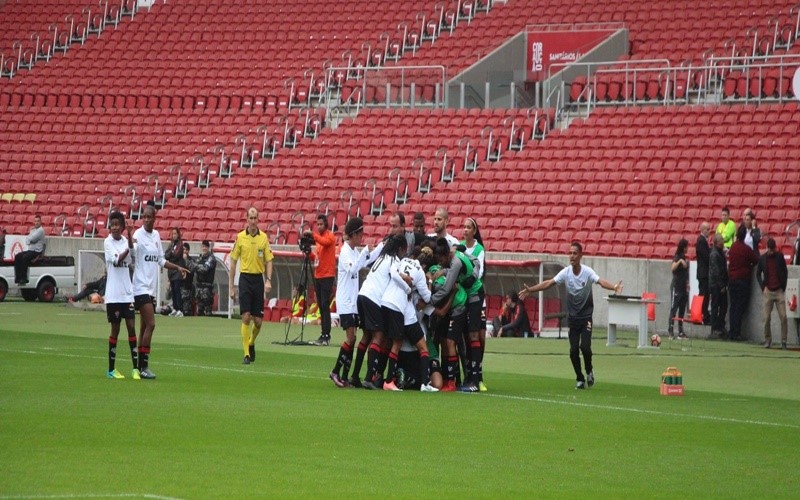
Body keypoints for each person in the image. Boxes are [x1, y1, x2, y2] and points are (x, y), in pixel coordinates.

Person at [519, 241, 622, 390]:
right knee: (573, 350)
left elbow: (600, 281)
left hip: (586, 317)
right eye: (570, 253)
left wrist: (613, 286)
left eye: (574, 253)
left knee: (585, 347)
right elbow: (549, 283)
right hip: (573, 319)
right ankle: (579, 378)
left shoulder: (587, 272)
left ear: (580, 255)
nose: (571, 256)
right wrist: (532, 290)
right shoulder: (566, 272)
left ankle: (589, 371)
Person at [130, 205, 189, 379]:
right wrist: (128, 239)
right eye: (144, 216)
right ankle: (144, 365)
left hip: (151, 288)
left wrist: (178, 267)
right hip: (140, 287)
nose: (147, 219)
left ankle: (140, 367)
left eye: (150, 217)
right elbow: (132, 253)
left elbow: (161, 260)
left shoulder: (155, 236)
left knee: (144, 328)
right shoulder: (137, 236)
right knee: (151, 324)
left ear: (155, 218)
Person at [329, 217, 382, 388]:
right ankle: (336, 371)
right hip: (345, 301)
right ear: (354, 234)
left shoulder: (352, 251)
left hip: (352, 302)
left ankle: (344, 376)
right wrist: (366, 251)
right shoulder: (345, 251)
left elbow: (364, 262)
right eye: (361, 234)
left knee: (353, 338)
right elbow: (353, 267)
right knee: (350, 338)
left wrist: (380, 248)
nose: (362, 237)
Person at [229, 207, 274, 365]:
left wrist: (268, 279)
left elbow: (269, 260)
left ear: (258, 220)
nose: (253, 221)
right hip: (245, 279)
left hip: (258, 280)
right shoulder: (240, 237)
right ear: (246, 219)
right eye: (251, 218)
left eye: (255, 218)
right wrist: (231, 286)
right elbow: (233, 262)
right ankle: (246, 354)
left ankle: (252, 341)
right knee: (246, 316)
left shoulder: (263, 238)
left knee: (259, 321)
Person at [103, 212, 139, 379]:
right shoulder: (107, 242)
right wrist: (128, 247)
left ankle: (135, 369)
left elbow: (132, 257)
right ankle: (111, 369)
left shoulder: (126, 241)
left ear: (123, 227)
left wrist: (130, 237)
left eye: (118, 224)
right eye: (112, 224)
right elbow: (117, 260)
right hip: (114, 295)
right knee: (115, 330)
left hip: (127, 294)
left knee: (131, 327)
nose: (115, 227)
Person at [756, 238, 789, 349]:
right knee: (766, 318)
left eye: (772, 250)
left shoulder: (779, 257)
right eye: (769, 250)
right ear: (767, 248)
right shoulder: (762, 259)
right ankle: (767, 339)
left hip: (778, 290)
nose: (770, 252)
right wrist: (763, 287)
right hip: (768, 291)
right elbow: (758, 274)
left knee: (783, 317)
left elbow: (785, 272)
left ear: (774, 248)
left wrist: (783, 286)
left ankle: (784, 341)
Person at [309, 213, 336, 346]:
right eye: (317, 224)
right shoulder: (318, 241)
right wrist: (309, 253)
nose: (319, 226)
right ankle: (323, 333)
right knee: (321, 305)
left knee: (325, 305)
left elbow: (326, 242)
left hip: (327, 275)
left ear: (326, 225)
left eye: (321, 224)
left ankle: (327, 334)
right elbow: (317, 258)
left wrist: (313, 235)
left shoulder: (329, 236)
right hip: (318, 274)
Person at [727, 226, 758, 341]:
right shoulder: (746, 249)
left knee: (733, 306)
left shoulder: (733, 247)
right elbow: (755, 260)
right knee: (739, 307)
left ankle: (732, 331)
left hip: (732, 280)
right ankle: (736, 332)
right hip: (742, 280)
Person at [14, 214, 46, 285]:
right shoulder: (33, 230)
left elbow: (31, 239)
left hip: (36, 252)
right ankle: (18, 278)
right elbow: (27, 241)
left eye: (38, 221)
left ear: (40, 222)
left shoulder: (40, 230)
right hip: (31, 251)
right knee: (17, 256)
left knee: (25, 258)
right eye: (35, 221)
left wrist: (29, 238)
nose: (36, 223)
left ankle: (24, 278)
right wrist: (29, 239)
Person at [668, 238, 690, 339]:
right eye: (687, 247)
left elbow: (685, 273)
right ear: (683, 247)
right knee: (674, 309)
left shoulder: (685, 257)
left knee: (681, 310)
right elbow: (672, 268)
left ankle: (681, 331)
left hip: (683, 288)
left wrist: (687, 283)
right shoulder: (677, 257)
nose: (688, 249)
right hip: (676, 287)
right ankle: (670, 331)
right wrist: (680, 261)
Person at [709, 233, 729, 338]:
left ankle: (720, 326)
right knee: (716, 306)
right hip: (716, 286)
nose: (723, 240)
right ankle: (714, 328)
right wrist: (721, 285)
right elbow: (716, 272)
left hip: (720, 284)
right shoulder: (715, 254)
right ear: (717, 242)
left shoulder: (719, 253)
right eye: (721, 239)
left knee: (723, 306)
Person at [164, 227, 185, 317]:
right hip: (171, 271)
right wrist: (171, 253)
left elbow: (176, 255)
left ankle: (180, 309)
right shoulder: (171, 244)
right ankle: (175, 308)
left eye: (175, 233)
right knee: (173, 291)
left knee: (177, 290)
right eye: (172, 234)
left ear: (178, 234)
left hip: (177, 270)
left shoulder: (180, 244)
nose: (173, 235)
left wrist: (171, 254)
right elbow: (166, 255)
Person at [193, 240, 217, 316]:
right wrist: (197, 267)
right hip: (199, 287)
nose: (204, 248)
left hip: (207, 288)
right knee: (199, 310)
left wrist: (197, 266)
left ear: (208, 248)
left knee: (208, 310)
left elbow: (204, 269)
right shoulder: (200, 258)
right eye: (203, 246)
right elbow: (193, 267)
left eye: (206, 247)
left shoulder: (211, 258)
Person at [695, 222, 711, 325]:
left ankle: (703, 314)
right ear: (703, 229)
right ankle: (701, 315)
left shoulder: (702, 241)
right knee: (703, 295)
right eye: (708, 229)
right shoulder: (701, 241)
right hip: (703, 273)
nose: (709, 231)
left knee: (704, 294)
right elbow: (706, 257)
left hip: (703, 273)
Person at [179, 242, 195, 316]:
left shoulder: (191, 260)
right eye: (183, 249)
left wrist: (185, 260)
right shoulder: (178, 260)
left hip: (187, 289)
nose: (185, 251)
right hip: (179, 287)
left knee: (186, 311)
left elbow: (192, 270)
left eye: (186, 249)